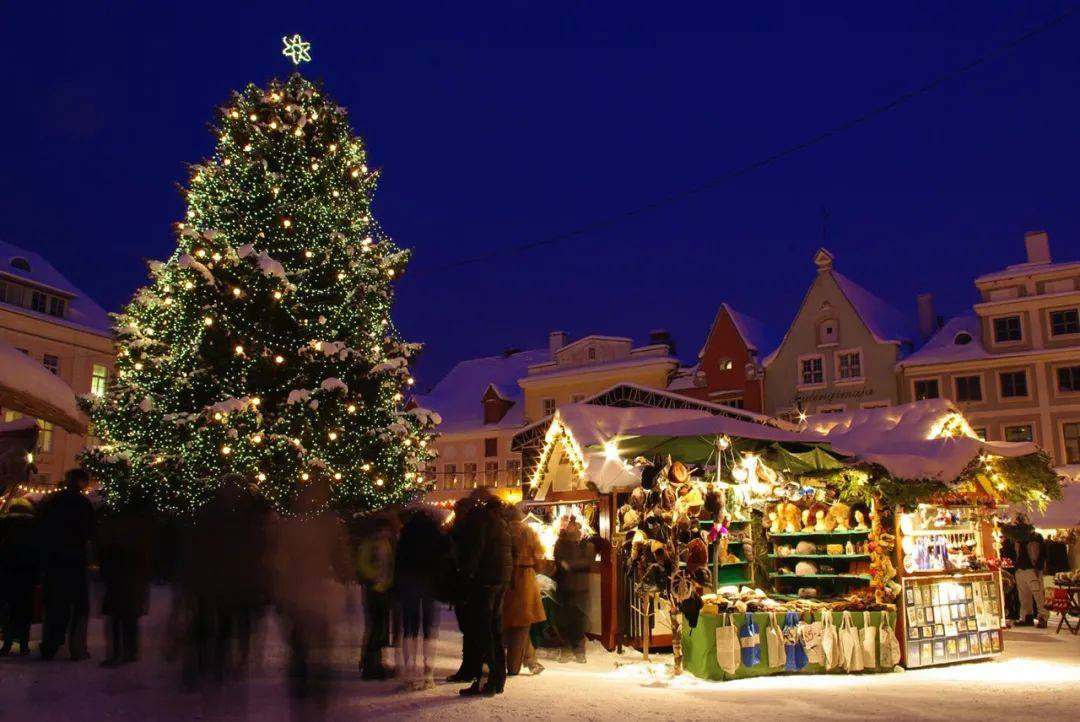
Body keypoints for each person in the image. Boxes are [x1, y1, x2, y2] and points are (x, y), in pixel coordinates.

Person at [38, 468, 96, 661]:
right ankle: (77, 648)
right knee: (79, 607)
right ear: (81, 482)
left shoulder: (52, 501)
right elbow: (90, 532)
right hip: (75, 561)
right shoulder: (83, 504)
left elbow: (42, 527)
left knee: (54, 605)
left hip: (54, 560)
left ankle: (49, 645)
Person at [458, 493, 512, 697]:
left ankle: (485, 681)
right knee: (495, 632)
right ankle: (498, 680)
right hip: (501, 582)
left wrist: (467, 576)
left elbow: (476, 553)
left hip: (485, 583)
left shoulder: (485, 525)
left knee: (484, 633)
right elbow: (511, 556)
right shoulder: (504, 526)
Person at [394, 506, 445, 689]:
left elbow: (399, 562)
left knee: (410, 628)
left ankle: (409, 673)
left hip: (410, 584)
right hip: (430, 585)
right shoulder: (436, 535)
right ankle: (428, 673)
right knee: (429, 628)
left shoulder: (406, 533)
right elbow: (443, 560)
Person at [97, 503, 154, 666]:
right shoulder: (136, 540)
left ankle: (119, 652)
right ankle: (129, 651)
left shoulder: (115, 542)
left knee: (118, 618)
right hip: (127, 582)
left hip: (120, 582)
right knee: (127, 617)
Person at [503, 506, 545, 676]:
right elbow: (539, 553)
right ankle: (515, 666)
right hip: (525, 579)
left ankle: (529, 660)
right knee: (522, 625)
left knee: (509, 623)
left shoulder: (504, 530)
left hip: (507, 578)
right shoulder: (528, 531)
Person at [357, 513, 395, 680]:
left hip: (383, 589)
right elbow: (363, 564)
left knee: (380, 629)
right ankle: (370, 665)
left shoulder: (384, 543)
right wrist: (375, 578)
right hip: (374, 590)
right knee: (375, 628)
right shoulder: (370, 544)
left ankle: (375, 663)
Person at [0, 498, 40, 656]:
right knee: (25, 608)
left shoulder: (4, 522)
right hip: (27, 571)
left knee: (7, 607)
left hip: (7, 570)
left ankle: (7, 643)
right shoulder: (35, 524)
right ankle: (24, 643)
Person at [553, 517, 591, 663]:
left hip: (573, 586)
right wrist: (569, 565)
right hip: (570, 586)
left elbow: (585, 563)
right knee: (568, 620)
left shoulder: (582, 544)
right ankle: (571, 650)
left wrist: (569, 565)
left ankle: (575, 651)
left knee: (574, 620)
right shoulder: (565, 543)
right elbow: (560, 561)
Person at [1011, 521, 1048, 628]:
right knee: (1023, 595)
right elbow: (1013, 552)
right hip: (1020, 569)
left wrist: (1038, 568)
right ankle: (1026, 617)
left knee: (1038, 594)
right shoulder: (1017, 537)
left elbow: (1043, 553)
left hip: (1032, 569)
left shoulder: (1037, 537)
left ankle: (1043, 617)